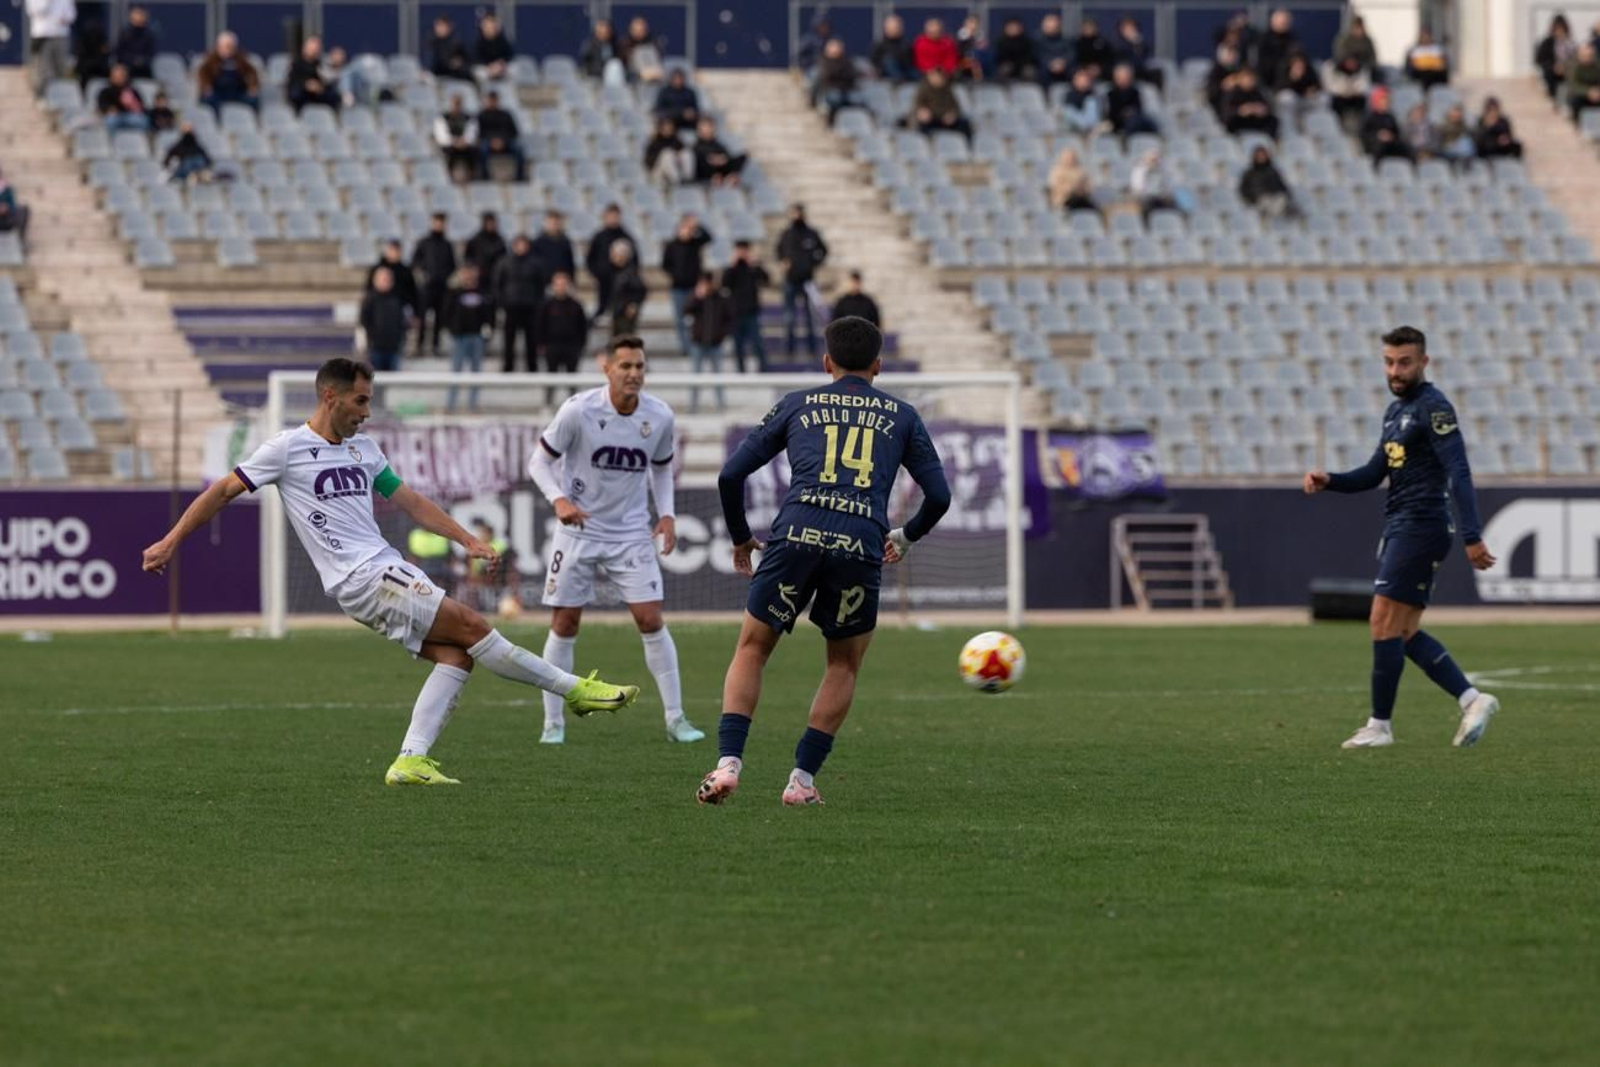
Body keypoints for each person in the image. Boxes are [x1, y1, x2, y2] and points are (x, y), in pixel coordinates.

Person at [142, 358, 640, 785]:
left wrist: (465, 538)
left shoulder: (366, 449)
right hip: (362, 576)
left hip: (377, 572)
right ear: (329, 396)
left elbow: (411, 501)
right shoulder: (286, 449)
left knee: (456, 656)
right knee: (473, 625)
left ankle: (411, 759)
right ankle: (574, 690)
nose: (367, 412)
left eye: (369, 401)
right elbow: (221, 491)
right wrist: (170, 541)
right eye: (359, 402)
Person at [699, 316, 952, 807]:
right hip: (860, 543)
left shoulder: (798, 403)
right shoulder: (902, 415)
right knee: (843, 663)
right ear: (879, 365)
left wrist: (739, 539)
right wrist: (907, 535)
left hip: (794, 533)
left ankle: (728, 764)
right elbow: (939, 495)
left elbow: (731, 475)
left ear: (826, 362)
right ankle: (801, 781)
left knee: (752, 649)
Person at [1302, 326, 1499, 751]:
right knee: (1404, 632)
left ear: (1423, 362)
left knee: (1381, 620)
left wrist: (1472, 535)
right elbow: (1376, 472)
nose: (1396, 370)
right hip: (1402, 525)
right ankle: (1472, 698)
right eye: (1389, 362)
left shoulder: (1434, 407)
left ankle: (1380, 725)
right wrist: (1330, 479)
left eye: (1404, 362)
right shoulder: (1396, 412)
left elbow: (1459, 471)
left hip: (1421, 524)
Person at [526, 336, 702, 746]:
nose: (634, 374)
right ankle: (553, 723)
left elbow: (660, 469)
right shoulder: (578, 410)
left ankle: (676, 719)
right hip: (578, 530)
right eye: (625, 366)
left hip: (629, 532)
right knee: (565, 622)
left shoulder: (659, 416)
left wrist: (668, 514)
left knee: (650, 618)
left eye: (640, 366)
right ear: (606, 368)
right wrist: (560, 500)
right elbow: (539, 461)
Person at [776, 204, 827, 357]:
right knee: (789, 318)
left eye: (798, 213)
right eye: (794, 213)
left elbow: (823, 251)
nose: (796, 216)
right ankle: (789, 351)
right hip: (790, 281)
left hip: (807, 281)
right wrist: (783, 261)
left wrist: (812, 263)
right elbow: (778, 251)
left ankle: (812, 350)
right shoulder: (786, 234)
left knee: (809, 319)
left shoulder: (811, 233)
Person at [494, 233, 545, 373]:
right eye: (518, 244)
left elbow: (541, 285)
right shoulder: (504, 262)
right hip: (511, 307)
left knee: (531, 340)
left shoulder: (536, 263)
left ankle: (532, 367)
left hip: (530, 307)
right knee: (509, 340)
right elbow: (498, 284)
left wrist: (537, 303)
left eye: (524, 244)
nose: (521, 247)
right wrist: (503, 302)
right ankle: (508, 367)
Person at [444, 264, 493, 410]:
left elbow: (489, 314)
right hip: (460, 337)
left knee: (476, 373)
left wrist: (487, 330)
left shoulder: (483, 292)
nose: (469, 276)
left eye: (471, 272)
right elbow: (446, 312)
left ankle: (473, 404)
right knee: (456, 371)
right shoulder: (454, 293)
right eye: (466, 273)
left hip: (477, 337)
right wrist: (453, 329)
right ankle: (450, 404)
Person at [662, 213, 711, 355]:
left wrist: (696, 225)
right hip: (677, 288)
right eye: (683, 228)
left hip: (693, 287)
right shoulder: (671, 245)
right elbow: (665, 265)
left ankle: (698, 345)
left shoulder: (695, 243)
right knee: (680, 319)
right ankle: (686, 348)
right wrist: (675, 274)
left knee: (697, 317)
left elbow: (709, 237)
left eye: (688, 229)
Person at [535, 272, 588, 404]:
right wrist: (541, 344)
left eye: (564, 284)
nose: (561, 287)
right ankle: (547, 403)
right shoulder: (547, 305)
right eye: (558, 284)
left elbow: (583, 327)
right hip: (552, 346)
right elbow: (540, 325)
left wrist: (580, 345)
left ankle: (574, 405)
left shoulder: (576, 305)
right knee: (551, 376)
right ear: (553, 286)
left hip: (571, 346)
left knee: (572, 378)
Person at [684, 272, 733, 411]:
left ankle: (721, 405)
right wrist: (697, 297)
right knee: (695, 376)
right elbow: (686, 310)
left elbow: (729, 318)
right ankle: (692, 406)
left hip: (716, 344)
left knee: (718, 377)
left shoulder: (721, 298)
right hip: (698, 343)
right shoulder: (696, 298)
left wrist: (722, 335)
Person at [410, 212, 456, 356]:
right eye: (437, 222)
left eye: (442, 222)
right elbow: (415, 262)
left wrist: (445, 277)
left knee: (439, 318)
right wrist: (423, 274)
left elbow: (452, 265)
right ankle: (420, 345)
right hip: (426, 288)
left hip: (441, 287)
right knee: (423, 317)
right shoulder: (424, 243)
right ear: (432, 222)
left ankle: (436, 346)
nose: (439, 225)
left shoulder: (447, 245)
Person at [722, 241, 769, 373]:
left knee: (757, 343)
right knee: (738, 346)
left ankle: (764, 369)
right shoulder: (732, 269)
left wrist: (754, 265)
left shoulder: (753, 268)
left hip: (751, 312)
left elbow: (766, 279)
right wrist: (732, 265)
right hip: (736, 313)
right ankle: (741, 371)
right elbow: (725, 284)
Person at [585, 204, 636, 322]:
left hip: (623, 285)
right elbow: (590, 259)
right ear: (605, 217)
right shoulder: (599, 237)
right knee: (602, 311)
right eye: (611, 216)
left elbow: (635, 260)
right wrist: (598, 274)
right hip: (604, 282)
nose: (613, 219)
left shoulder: (626, 237)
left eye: (616, 216)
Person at [197, 31, 260, 113]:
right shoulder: (211, 60)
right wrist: (206, 87)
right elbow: (203, 73)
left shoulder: (241, 59)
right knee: (208, 100)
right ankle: (217, 123)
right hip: (218, 92)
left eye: (229, 47)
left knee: (253, 100)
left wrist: (252, 87)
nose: (226, 50)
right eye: (223, 47)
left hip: (237, 92)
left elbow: (252, 73)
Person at [360, 266, 408, 372]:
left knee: (392, 382)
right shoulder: (369, 299)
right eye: (383, 279)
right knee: (375, 381)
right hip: (376, 348)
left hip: (394, 348)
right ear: (375, 280)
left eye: (388, 279)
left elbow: (402, 321)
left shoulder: (397, 298)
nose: (386, 281)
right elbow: (364, 321)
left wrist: (400, 337)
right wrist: (373, 338)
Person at [909, 67, 972, 142]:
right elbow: (917, 106)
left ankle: (968, 147)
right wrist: (922, 112)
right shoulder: (923, 89)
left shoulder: (947, 89)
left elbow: (955, 106)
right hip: (931, 120)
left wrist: (952, 115)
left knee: (965, 124)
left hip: (945, 120)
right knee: (923, 128)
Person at [26, 0, 75, 94]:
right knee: (43, 70)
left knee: (61, 68)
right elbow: (35, 11)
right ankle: (42, 96)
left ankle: (60, 96)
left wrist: (63, 18)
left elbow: (71, 14)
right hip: (42, 36)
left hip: (60, 35)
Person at [475, 89, 524, 181]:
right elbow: (479, 133)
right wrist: (492, 141)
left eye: (494, 100)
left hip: (505, 142)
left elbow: (514, 132)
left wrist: (502, 141)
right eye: (490, 100)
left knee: (519, 150)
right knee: (482, 150)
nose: (492, 102)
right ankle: (484, 176)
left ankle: (520, 177)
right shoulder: (481, 115)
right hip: (488, 143)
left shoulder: (506, 114)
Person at [815, 39, 865, 126]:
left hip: (847, 89)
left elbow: (852, 75)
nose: (836, 50)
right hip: (831, 90)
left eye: (838, 47)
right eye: (833, 47)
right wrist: (842, 74)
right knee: (835, 97)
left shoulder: (847, 61)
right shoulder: (824, 62)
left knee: (858, 98)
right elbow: (828, 76)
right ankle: (833, 121)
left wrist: (840, 75)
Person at [1238, 145, 1297, 218]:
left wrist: (1286, 194)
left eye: (1263, 155)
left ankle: (1282, 212)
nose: (1261, 157)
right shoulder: (1250, 173)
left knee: (1281, 199)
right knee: (1266, 201)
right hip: (1261, 199)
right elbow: (1243, 189)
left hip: (1275, 197)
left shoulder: (1273, 171)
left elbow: (1282, 186)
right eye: (1259, 155)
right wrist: (1252, 200)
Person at [366, 239, 418, 320]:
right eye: (392, 250)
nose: (394, 253)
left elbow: (412, 291)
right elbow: (369, 288)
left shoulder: (405, 271)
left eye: (396, 250)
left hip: (400, 306)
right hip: (379, 306)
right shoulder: (377, 268)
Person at [1360, 87, 1413, 165]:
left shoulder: (1390, 116)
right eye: (1384, 100)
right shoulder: (1369, 117)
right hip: (1375, 144)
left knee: (1406, 147)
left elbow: (1396, 132)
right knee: (1380, 148)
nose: (1387, 102)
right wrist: (1378, 135)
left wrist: (1391, 136)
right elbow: (1364, 134)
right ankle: (1377, 171)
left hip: (1390, 143)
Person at [287, 35, 340, 114]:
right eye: (312, 48)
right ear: (304, 49)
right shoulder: (296, 65)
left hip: (321, 101)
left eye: (317, 48)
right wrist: (306, 85)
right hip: (303, 101)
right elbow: (293, 88)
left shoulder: (322, 65)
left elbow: (328, 83)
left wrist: (320, 88)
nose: (315, 50)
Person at [1221, 66, 1276, 139]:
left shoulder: (1257, 92)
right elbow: (1225, 112)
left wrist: (1261, 110)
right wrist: (1240, 111)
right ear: (1240, 79)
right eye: (1246, 78)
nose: (1249, 81)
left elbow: (1266, 107)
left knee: (1273, 120)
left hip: (1254, 123)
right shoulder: (1232, 93)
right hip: (1238, 124)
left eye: (1251, 79)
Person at [692, 117, 747, 187]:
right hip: (706, 171)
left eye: (709, 127)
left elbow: (727, 156)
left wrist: (722, 159)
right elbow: (700, 157)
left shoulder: (718, 144)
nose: (707, 130)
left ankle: (729, 176)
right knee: (704, 161)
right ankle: (716, 178)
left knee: (742, 156)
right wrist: (712, 158)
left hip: (721, 168)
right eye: (705, 127)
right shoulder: (696, 145)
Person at [434, 95, 478, 180]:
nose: (457, 106)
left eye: (459, 104)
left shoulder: (468, 117)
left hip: (464, 144)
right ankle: (449, 175)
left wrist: (464, 141)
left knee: (473, 151)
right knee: (450, 152)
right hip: (449, 144)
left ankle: (472, 175)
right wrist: (454, 141)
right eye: (455, 103)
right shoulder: (443, 118)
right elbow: (441, 135)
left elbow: (471, 132)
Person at [1107, 62, 1159, 135]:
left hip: (1135, 120)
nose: (1123, 80)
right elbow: (1111, 113)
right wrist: (1123, 114)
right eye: (1120, 78)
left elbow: (1138, 108)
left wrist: (1131, 112)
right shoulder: (1111, 94)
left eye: (1126, 77)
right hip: (1119, 124)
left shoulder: (1135, 92)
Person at [1274, 53, 1321, 132]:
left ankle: (1317, 127)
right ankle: (1289, 125)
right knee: (1287, 97)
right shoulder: (1284, 73)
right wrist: (1294, 79)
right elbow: (1279, 88)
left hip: (1305, 101)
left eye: (1301, 66)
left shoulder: (1309, 72)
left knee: (1321, 97)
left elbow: (1317, 85)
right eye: (1296, 66)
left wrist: (1312, 90)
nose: (1299, 68)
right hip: (1292, 103)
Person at [1325, 53, 1372, 131]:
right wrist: (1344, 90)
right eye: (1349, 62)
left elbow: (1365, 86)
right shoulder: (1336, 70)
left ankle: (1361, 127)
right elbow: (1331, 87)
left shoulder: (1362, 70)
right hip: (1341, 97)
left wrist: (1354, 90)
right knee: (1335, 102)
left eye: (1353, 62)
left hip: (1355, 97)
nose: (1351, 64)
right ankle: (1339, 126)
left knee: (1362, 101)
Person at [1113, 17, 1163, 91]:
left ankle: (1159, 99)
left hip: (1137, 70)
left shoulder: (1139, 42)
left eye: (1131, 28)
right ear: (1121, 30)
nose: (1129, 31)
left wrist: (1136, 42)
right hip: (1122, 71)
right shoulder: (1117, 43)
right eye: (1126, 28)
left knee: (1157, 73)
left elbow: (1142, 57)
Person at [97, 63, 148, 132]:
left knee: (142, 120)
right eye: (117, 76)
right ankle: (112, 141)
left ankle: (138, 140)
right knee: (111, 120)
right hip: (115, 117)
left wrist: (134, 105)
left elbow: (141, 107)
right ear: (111, 77)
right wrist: (109, 109)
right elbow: (102, 105)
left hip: (130, 116)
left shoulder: (132, 90)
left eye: (122, 75)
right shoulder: (106, 91)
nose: (120, 78)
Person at [1537, 16, 1577, 103]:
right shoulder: (1547, 43)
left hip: (1568, 70)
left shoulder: (1570, 42)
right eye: (1557, 29)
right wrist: (1554, 67)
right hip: (1553, 71)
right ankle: (1553, 97)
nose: (1559, 32)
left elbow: (1575, 58)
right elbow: (1540, 59)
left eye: (1562, 29)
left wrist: (1565, 67)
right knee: (1549, 74)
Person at [1131, 149, 1180, 220]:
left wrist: (1166, 194)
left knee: (1173, 204)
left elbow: (1168, 184)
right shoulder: (1140, 171)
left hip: (1161, 196)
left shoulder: (1163, 171)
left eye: (1156, 160)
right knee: (1147, 204)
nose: (1154, 162)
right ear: (1146, 160)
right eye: (1152, 160)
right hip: (1147, 197)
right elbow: (1138, 187)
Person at [1048, 146, 1098, 215]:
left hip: (1081, 198)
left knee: (1094, 210)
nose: (1071, 160)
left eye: (1072, 158)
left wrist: (1083, 190)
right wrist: (1070, 189)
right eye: (1068, 158)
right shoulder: (1057, 171)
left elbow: (1089, 187)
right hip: (1065, 200)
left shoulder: (1081, 171)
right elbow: (1055, 187)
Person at [1255, 8, 1299, 85]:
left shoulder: (1293, 39)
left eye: (1286, 22)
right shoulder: (1264, 39)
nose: (1284, 24)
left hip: (1291, 81)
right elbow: (1263, 65)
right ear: (1272, 22)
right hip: (1269, 79)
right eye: (1281, 22)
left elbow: (1298, 58)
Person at [644, 117, 692, 187]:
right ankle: (677, 181)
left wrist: (676, 155)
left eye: (669, 126)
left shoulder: (677, 141)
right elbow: (648, 161)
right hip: (658, 173)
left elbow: (684, 153)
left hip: (677, 168)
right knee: (667, 154)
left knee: (686, 153)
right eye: (665, 126)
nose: (668, 129)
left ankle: (687, 178)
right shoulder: (654, 142)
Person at [464, 211, 507, 286]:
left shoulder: (500, 240)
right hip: (480, 277)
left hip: (496, 276)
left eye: (492, 222)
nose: (491, 225)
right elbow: (468, 257)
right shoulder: (475, 240)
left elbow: (504, 258)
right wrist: (474, 269)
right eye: (488, 222)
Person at [113, 5, 156, 79]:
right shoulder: (125, 34)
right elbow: (119, 53)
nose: (139, 17)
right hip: (127, 70)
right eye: (136, 14)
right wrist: (131, 61)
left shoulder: (149, 35)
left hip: (144, 71)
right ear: (130, 17)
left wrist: (141, 61)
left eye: (141, 14)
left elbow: (151, 54)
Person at [531, 210, 576, 280]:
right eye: (551, 223)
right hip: (543, 280)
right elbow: (534, 264)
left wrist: (571, 279)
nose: (553, 225)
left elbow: (570, 263)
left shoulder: (565, 241)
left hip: (562, 283)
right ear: (546, 223)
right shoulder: (538, 242)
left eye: (556, 223)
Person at [428, 16, 473, 84]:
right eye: (438, 26)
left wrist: (458, 63)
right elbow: (432, 64)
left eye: (442, 26)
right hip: (436, 76)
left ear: (449, 27)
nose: (440, 28)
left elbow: (466, 61)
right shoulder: (432, 42)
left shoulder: (456, 42)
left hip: (455, 76)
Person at [871, 14, 915, 82]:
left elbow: (910, 61)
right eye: (893, 28)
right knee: (889, 61)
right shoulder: (880, 45)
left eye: (897, 27)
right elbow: (875, 61)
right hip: (887, 75)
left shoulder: (905, 44)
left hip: (906, 72)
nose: (895, 30)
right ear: (886, 28)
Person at [472, 14, 513, 84]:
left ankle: (508, 92)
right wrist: (490, 67)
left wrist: (500, 64)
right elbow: (475, 59)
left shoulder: (502, 40)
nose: (490, 27)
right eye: (487, 25)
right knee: (478, 72)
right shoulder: (478, 42)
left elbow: (510, 55)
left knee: (514, 69)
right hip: (486, 69)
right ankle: (485, 93)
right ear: (482, 26)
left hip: (500, 68)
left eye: (492, 24)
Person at [993, 19, 1037, 83]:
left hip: (1023, 65)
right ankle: (1003, 91)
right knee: (1003, 69)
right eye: (1011, 27)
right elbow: (998, 58)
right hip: (1007, 65)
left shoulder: (1027, 41)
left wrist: (1019, 64)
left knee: (1030, 71)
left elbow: (1030, 57)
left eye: (1015, 27)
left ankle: (1028, 91)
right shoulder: (1001, 42)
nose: (1013, 29)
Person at [1062, 68, 1103, 135]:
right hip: (1073, 126)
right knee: (1068, 110)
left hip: (1091, 125)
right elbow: (1070, 114)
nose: (1083, 82)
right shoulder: (1069, 95)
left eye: (1085, 80)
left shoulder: (1093, 95)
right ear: (1074, 81)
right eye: (1080, 80)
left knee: (1091, 102)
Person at [623, 17, 664, 85]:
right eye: (636, 30)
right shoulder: (625, 45)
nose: (639, 32)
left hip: (654, 78)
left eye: (642, 30)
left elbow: (659, 65)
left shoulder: (653, 45)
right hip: (633, 80)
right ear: (631, 30)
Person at [1035, 13, 1072, 86]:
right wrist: (1050, 64)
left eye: (1054, 27)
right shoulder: (1037, 41)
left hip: (1064, 73)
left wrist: (1062, 62)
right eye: (1049, 27)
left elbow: (1071, 54)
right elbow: (1038, 56)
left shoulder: (1067, 40)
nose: (1051, 29)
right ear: (1043, 26)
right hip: (1044, 75)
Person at [1568, 44, 1600, 123]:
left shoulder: (1597, 65)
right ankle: (1578, 122)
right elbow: (1573, 85)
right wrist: (1588, 92)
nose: (1587, 58)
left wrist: (1597, 92)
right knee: (1575, 100)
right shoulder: (1573, 66)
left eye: (1589, 56)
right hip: (1581, 94)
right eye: (1584, 56)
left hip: (1597, 93)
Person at [0, 170, 30, 245]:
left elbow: (13, 205)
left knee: (24, 210)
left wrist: (7, 208)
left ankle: (21, 239)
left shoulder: (8, 189)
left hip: (7, 219)